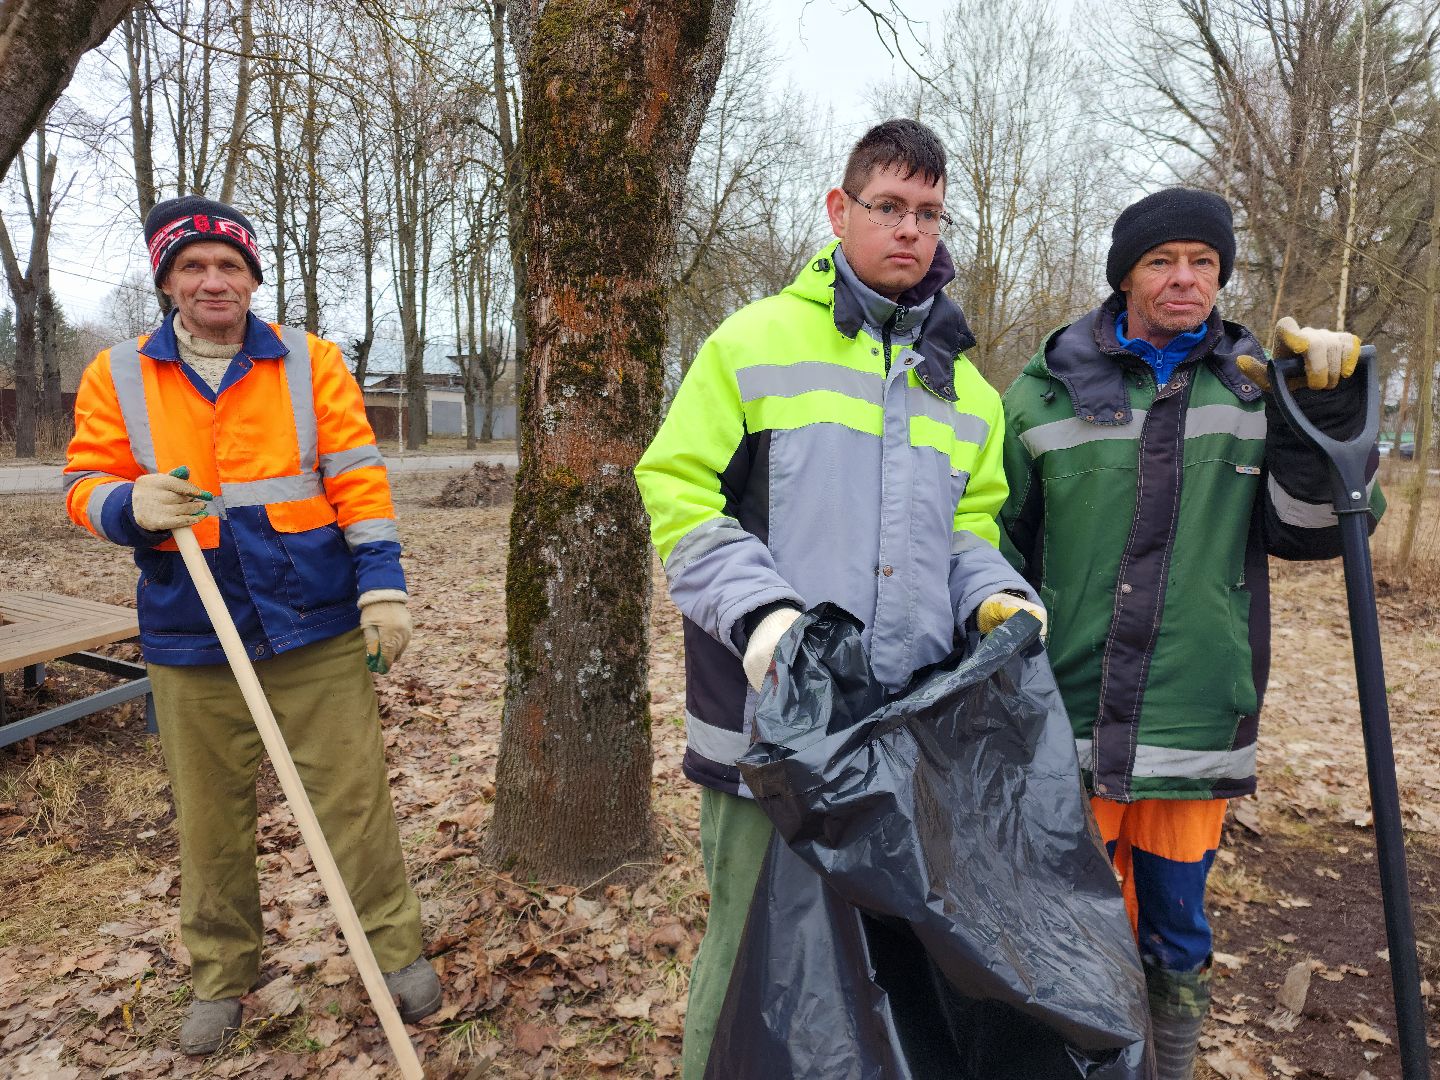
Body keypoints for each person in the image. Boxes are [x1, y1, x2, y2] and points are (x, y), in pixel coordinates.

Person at [635, 119, 1043, 1077]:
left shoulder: (967, 391)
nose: (910, 230)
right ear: (839, 210)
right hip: (764, 734)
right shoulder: (752, 342)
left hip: (898, 742)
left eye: (929, 214)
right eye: (889, 207)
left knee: (882, 968)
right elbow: (679, 493)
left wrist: (997, 599)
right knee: (747, 961)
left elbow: (970, 533)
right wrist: (764, 616)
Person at [998, 187, 1380, 1080]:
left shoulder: (1261, 385)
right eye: (1162, 261)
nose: (1184, 280)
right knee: (1062, 924)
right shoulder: (1045, 388)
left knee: (1175, 933)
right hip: (1068, 714)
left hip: (1194, 716)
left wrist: (1322, 413)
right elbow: (996, 543)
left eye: (1202, 263)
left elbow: (1315, 530)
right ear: (1124, 275)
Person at [63, 196, 441, 1055]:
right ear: (167, 281)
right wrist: (128, 503)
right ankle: (222, 975)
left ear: (252, 277)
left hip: (313, 619)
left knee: (354, 799)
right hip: (189, 625)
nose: (212, 280)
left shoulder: (308, 362)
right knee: (208, 815)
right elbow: (83, 481)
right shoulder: (118, 372)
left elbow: (356, 476)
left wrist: (383, 588)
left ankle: (394, 949)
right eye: (192, 266)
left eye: (228, 265)